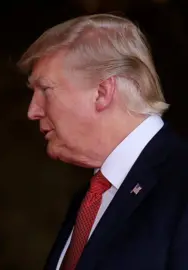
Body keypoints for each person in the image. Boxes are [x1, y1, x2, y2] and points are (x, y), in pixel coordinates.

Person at [17, 13, 188, 270]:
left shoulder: (182, 184)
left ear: (102, 93)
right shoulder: (88, 200)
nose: (33, 111)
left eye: (45, 90)